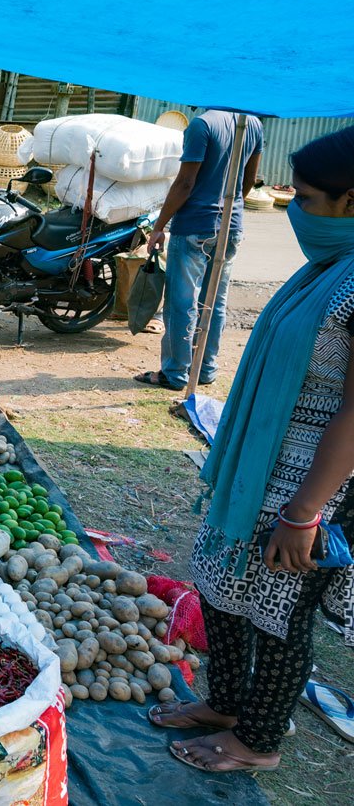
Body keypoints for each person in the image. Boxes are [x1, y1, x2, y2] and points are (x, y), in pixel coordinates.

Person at [149, 127, 354, 773]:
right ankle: (226, 703)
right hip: (260, 470)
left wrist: (305, 511)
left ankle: (258, 740)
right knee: (221, 583)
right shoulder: (326, 267)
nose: (296, 209)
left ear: (352, 200)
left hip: (314, 481)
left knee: (279, 610)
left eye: (311, 198)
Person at [136, 110, 264, 390]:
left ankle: (175, 373)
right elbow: (249, 180)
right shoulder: (253, 124)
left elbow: (185, 183)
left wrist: (159, 226)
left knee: (182, 302)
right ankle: (206, 369)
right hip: (231, 226)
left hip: (194, 225)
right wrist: (229, 210)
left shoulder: (201, 125)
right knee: (215, 301)